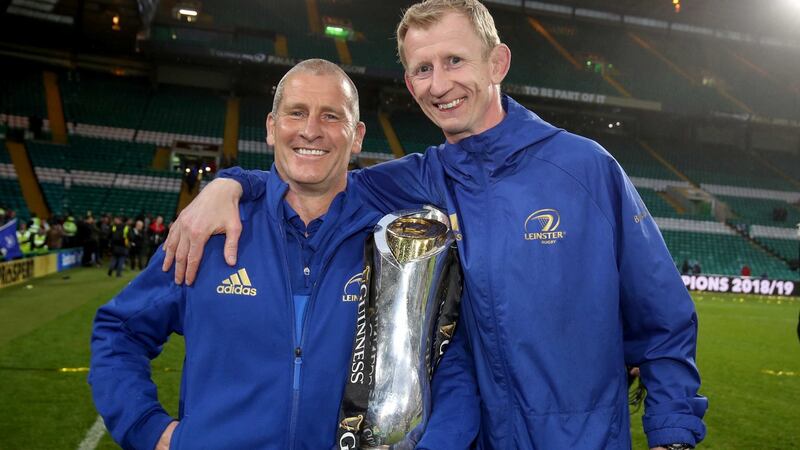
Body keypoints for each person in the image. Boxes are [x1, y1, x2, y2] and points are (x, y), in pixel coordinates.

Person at [165, 2, 708, 448]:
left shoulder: (586, 169)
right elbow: (313, 172)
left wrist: (674, 436)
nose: (439, 83)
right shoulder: (414, 180)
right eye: (423, 69)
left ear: (497, 63)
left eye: (455, 61)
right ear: (409, 80)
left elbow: (663, 322)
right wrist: (231, 183)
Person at [89, 59, 473, 450]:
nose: (310, 130)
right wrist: (150, 430)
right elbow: (119, 331)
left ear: (356, 136)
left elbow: (448, 368)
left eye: (330, 116)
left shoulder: (396, 249)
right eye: (296, 113)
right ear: (272, 128)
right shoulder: (209, 232)